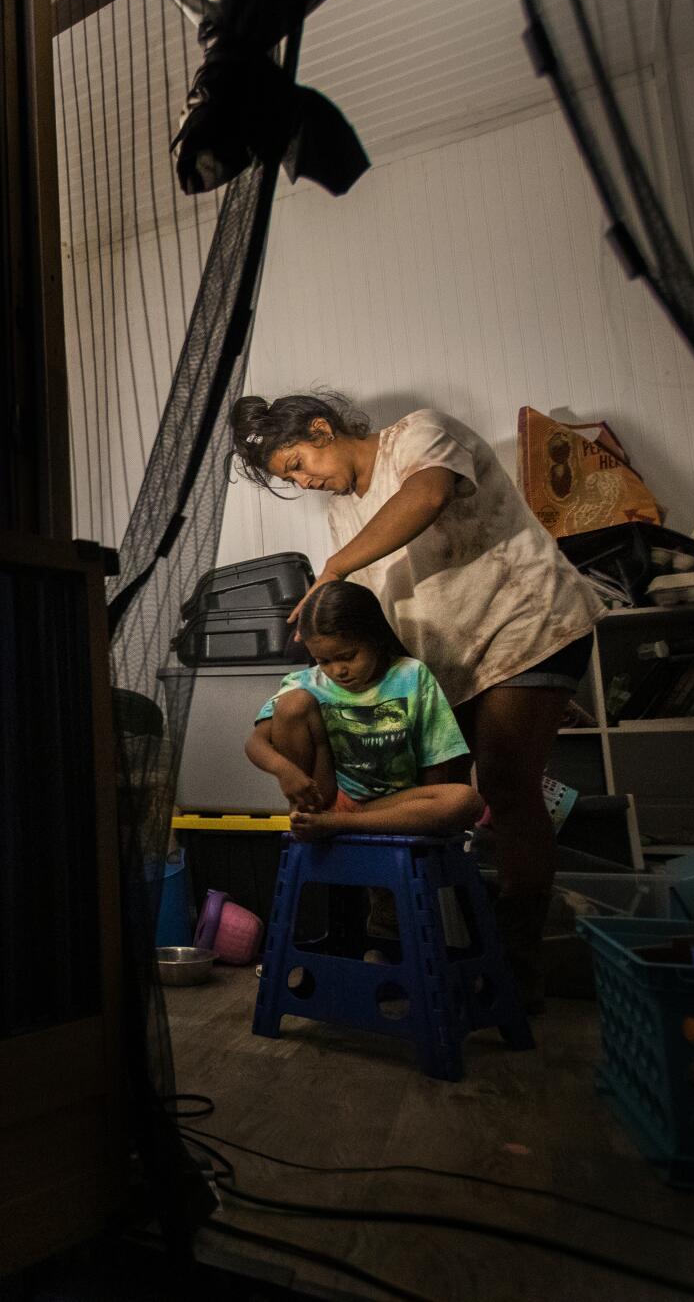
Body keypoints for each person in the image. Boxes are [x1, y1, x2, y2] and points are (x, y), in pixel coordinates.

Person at [230, 391, 600, 1011]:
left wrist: (333, 570)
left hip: (528, 627)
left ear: (322, 428)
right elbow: (378, 616)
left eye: (297, 463)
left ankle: (513, 971)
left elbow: (426, 496)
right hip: (443, 667)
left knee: (507, 786)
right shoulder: (343, 515)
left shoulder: (420, 435)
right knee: (414, 798)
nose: (304, 480)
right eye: (290, 478)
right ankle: (402, 950)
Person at [244, 580, 481, 842]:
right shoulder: (305, 683)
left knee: (466, 800)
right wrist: (284, 770)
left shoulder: (411, 675)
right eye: (324, 661)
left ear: (375, 637)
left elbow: (437, 758)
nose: (338, 670)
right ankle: (319, 818)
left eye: (348, 656)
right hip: (327, 799)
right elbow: (256, 743)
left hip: (391, 807)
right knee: (292, 703)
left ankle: (341, 824)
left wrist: (429, 813)